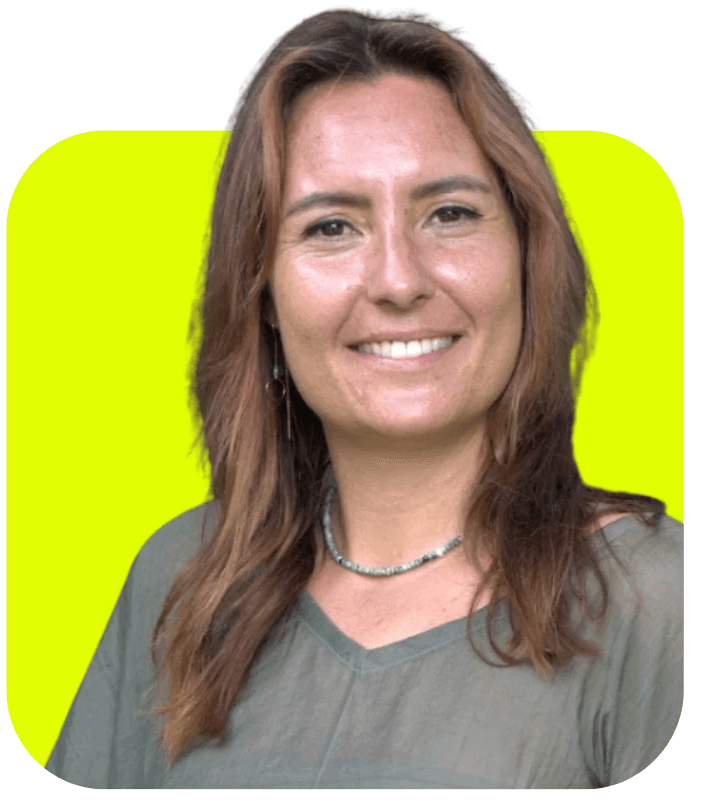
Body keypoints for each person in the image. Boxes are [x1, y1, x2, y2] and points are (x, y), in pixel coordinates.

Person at [45, 7, 682, 789]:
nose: (398, 280)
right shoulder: (183, 579)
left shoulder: (656, 600)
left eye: (450, 214)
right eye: (331, 227)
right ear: (263, 293)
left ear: (527, 255)